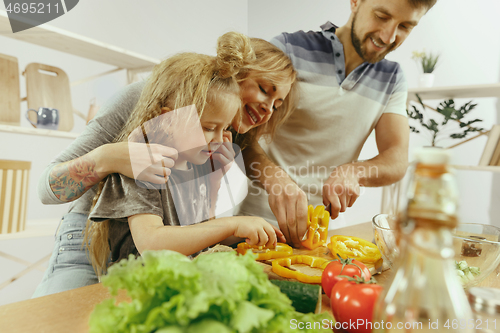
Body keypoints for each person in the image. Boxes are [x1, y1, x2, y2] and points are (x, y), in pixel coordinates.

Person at [33, 32, 296, 297]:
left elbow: (199, 225)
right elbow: (46, 190)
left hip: (152, 269)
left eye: (277, 104)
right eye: (264, 89)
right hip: (89, 242)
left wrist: (219, 188)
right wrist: (111, 157)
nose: (268, 110)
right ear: (233, 73)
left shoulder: (207, 142)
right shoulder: (152, 119)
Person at [237, 0, 438, 247]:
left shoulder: (393, 78)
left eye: (405, 26)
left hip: (322, 236)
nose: (388, 37)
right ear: (355, 2)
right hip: (257, 227)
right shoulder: (288, 48)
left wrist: (354, 171)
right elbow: (237, 132)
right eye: (381, 16)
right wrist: (273, 179)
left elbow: (396, 159)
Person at [84, 48, 288, 277]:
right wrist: (233, 225)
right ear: (168, 119)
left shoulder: (199, 165)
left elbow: (202, 232)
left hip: (184, 285)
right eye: (210, 128)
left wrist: (247, 226)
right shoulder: (142, 167)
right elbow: (151, 243)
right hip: (138, 293)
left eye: (226, 128)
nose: (220, 140)